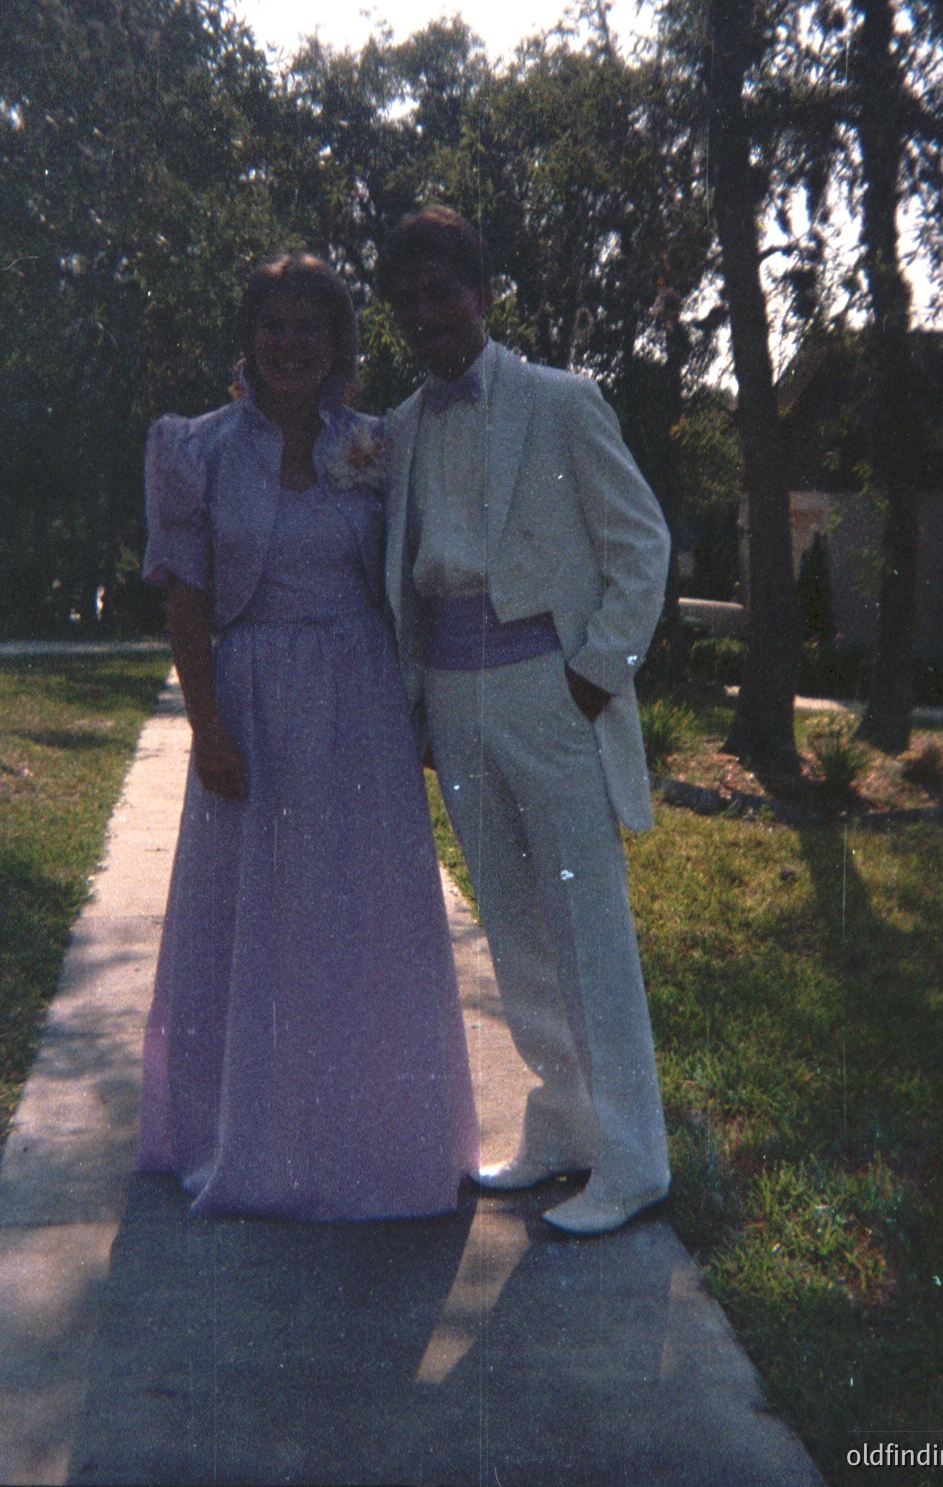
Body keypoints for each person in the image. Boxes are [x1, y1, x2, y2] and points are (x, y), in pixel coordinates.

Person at [139, 251, 478, 1220]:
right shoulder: (192, 449)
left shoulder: (377, 445)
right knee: (252, 920)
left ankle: (369, 1139)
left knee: (356, 918)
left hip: (360, 703)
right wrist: (206, 725)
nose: (290, 343)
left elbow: (415, 571)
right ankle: (245, 1136)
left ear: (337, 344)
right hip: (249, 702)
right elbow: (188, 606)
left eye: (309, 326)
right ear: (248, 340)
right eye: (273, 325)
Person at [380, 206, 672, 1236]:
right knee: (511, 927)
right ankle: (562, 1126)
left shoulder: (562, 401)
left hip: (549, 689)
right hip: (453, 699)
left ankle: (634, 1161)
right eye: (407, 299)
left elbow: (641, 547)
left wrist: (591, 677)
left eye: (441, 291)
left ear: (482, 292)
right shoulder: (401, 430)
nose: (427, 315)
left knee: (586, 928)